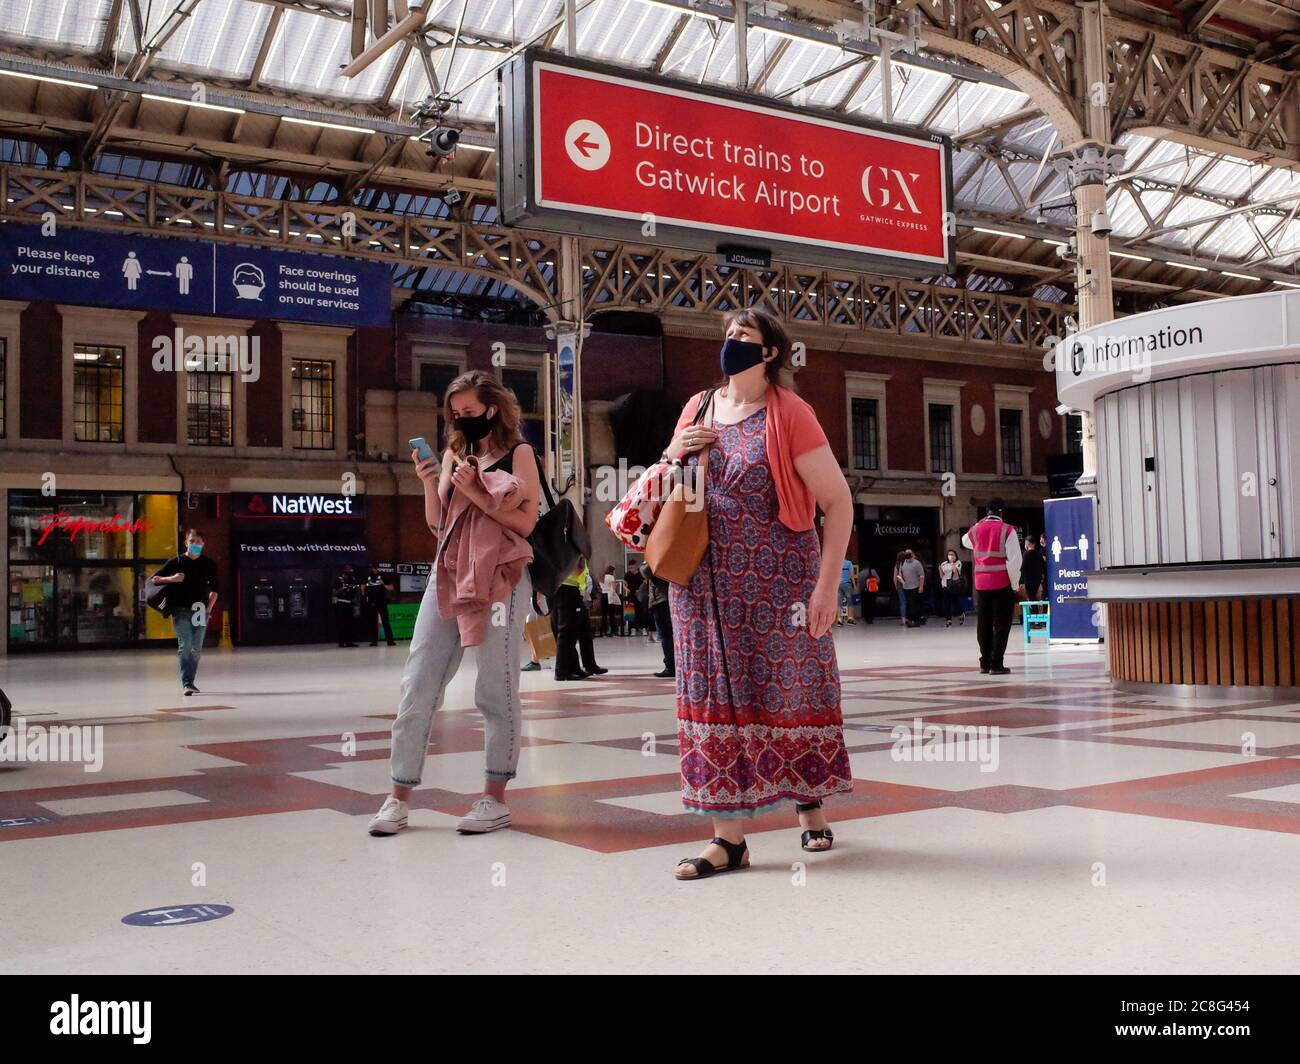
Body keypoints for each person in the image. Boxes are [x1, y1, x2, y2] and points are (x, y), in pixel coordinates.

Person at [668, 306, 853, 881]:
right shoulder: (697, 408)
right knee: (712, 698)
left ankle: (809, 803)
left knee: (789, 693)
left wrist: (826, 589)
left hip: (781, 587)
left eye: (743, 336)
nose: (731, 343)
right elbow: (670, 486)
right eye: (726, 334)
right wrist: (676, 454)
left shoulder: (791, 413)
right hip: (701, 587)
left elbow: (838, 503)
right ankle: (728, 840)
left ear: (770, 351)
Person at [369, 370, 539, 838]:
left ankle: (494, 798)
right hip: (449, 573)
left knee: (496, 687)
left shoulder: (520, 453)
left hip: (501, 576)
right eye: (456, 414)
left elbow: (525, 524)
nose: (463, 420)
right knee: (418, 682)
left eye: (471, 411)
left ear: (493, 408)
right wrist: (430, 483)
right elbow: (438, 525)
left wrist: (473, 492)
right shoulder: (453, 454)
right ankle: (398, 796)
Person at [150, 529, 219, 696]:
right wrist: (172, 579)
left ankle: (191, 681)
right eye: (192, 541)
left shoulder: (209, 564)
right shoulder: (177, 561)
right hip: (180, 610)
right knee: (185, 645)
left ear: (203, 544)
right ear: (186, 543)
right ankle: (186, 683)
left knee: (196, 648)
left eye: (198, 542)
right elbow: (154, 579)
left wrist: (208, 611)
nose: (195, 544)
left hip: (200, 611)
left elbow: (215, 590)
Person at [962, 497, 1023, 675]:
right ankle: (996, 664)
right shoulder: (1007, 530)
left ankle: (984, 662)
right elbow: (1015, 561)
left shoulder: (977, 529)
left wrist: (980, 523)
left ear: (986, 512)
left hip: (981, 584)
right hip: (1002, 583)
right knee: (1001, 624)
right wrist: (1014, 585)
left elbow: (966, 540)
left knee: (984, 623)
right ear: (1002, 512)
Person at [553, 560, 607, 681]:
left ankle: (576, 667)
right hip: (566, 587)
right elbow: (577, 568)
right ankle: (561, 671)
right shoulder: (569, 545)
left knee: (579, 630)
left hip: (573, 588)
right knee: (566, 632)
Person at [644, 563, 674, 678]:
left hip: (660, 600)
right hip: (665, 599)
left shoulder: (658, 559)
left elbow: (645, 570)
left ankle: (670, 666)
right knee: (668, 634)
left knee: (665, 635)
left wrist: (649, 560)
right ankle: (672, 664)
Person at [364, 566, 397, 646]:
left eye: (375, 568)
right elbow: (363, 587)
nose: (374, 570)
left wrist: (384, 585)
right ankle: (374, 641)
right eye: (373, 568)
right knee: (373, 622)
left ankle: (390, 640)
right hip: (372, 602)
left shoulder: (383, 576)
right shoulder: (368, 577)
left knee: (385, 621)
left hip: (382, 602)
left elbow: (391, 588)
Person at [332, 565, 360, 647]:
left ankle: (349, 642)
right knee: (342, 624)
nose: (350, 571)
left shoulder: (352, 579)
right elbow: (334, 592)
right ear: (344, 570)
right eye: (348, 570)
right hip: (341, 603)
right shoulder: (339, 580)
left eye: (351, 570)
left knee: (350, 624)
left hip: (350, 603)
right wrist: (342, 588)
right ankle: (341, 642)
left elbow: (355, 590)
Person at [899, 549, 926, 627]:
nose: (907, 555)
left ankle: (916, 620)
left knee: (914, 603)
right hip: (906, 587)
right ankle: (910, 619)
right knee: (908, 603)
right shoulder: (903, 563)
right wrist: (902, 582)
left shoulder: (917, 563)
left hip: (915, 586)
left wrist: (921, 586)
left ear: (912, 554)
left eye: (909, 553)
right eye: (906, 553)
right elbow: (900, 574)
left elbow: (921, 575)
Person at [939, 548, 965, 627]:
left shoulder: (958, 563)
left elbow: (955, 571)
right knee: (946, 603)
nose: (951, 556)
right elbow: (941, 575)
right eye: (949, 554)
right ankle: (948, 620)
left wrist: (952, 562)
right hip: (945, 584)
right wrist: (940, 569)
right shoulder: (944, 564)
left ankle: (960, 614)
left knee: (955, 602)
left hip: (954, 584)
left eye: (952, 554)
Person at [1020, 533, 1046, 603]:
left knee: (1031, 597)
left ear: (1027, 543)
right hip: (1037, 579)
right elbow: (1042, 566)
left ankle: (1033, 612)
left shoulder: (1026, 554)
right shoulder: (1039, 553)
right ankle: (1037, 611)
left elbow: (1023, 567)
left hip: (1029, 580)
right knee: (1037, 596)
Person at [599, 565, 622, 637]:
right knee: (612, 615)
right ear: (612, 571)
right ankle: (613, 631)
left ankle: (603, 632)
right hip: (609, 595)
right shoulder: (611, 577)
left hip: (602, 596)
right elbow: (613, 588)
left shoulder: (602, 576)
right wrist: (616, 584)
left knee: (604, 615)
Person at [624, 561, 646, 635]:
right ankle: (632, 628)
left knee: (641, 610)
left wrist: (640, 590)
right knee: (629, 611)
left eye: (632, 568)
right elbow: (624, 584)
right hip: (631, 594)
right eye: (629, 568)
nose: (631, 569)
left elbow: (645, 583)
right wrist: (627, 589)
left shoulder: (641, 574)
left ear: (636, 566)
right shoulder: (627, 574)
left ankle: (643, 628)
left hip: (640, 594)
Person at [836, 559, 856, 627]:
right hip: (847, 584)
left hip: (838, 585)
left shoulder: (837, 562)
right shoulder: (849, 563)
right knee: (850, 602)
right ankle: (850, 619)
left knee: (839, 603)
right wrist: (854, 584)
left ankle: (839, 620)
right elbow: (851, 574)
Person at [892, 549, 909, 626]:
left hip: (900, 586)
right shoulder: (908, 564)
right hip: (909, 585)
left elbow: (894, 577)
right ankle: (910, 617)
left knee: (902, 602)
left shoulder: (897, 565)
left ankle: (903, 619)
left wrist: (896, 586)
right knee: (909, 602)